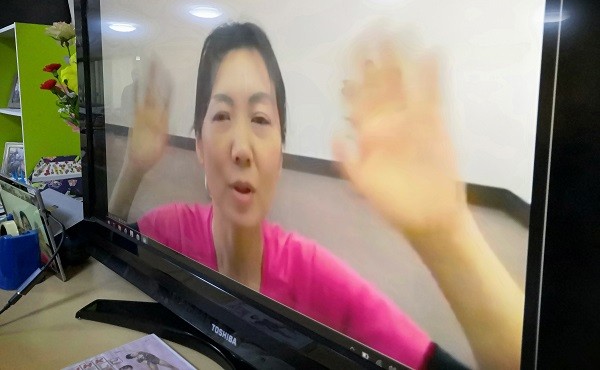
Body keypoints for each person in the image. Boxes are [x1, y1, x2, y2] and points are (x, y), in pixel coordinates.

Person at [110, 22, 523, 370]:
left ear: (281, 150)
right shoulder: (171, 229)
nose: (241, 148)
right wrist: (133, 167)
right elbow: (108, 250)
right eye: (221, 115)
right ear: (199, 144)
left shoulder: (317, 278)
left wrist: (445, 233)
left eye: (260, 119)